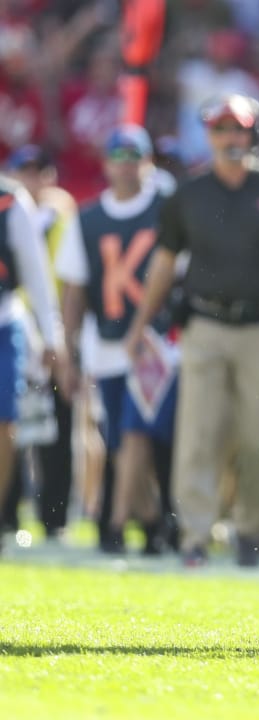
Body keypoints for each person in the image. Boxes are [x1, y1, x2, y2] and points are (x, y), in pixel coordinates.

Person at [126, 93, 259, 567]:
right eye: (221, 129)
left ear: (254, 134)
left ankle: (249, 530)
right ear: (209, 135)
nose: (230, 138)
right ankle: (195, 536)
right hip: (202, 325)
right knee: (198, 434)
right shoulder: (189, 193)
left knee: (257, 437)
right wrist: (141, 324)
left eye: (238, 129)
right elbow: (163, 264)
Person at [56, 125, 177, 556]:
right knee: (121, 438)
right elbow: (74, 289)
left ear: (147, 162)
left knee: (138, 434)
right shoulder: (87, 218)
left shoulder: (166, 208)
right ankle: (150, 524)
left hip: (156, 344)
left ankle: (116, 522)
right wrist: (68, 351)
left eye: (134, 156)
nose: (126, 165)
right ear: (106, 164)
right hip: (106, 342)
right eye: (118, 156)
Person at [0, 169, 67, 554]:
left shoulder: (11, 199)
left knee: (6, 422)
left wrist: (50, 333)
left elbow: (35, 273)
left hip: (4, 320)